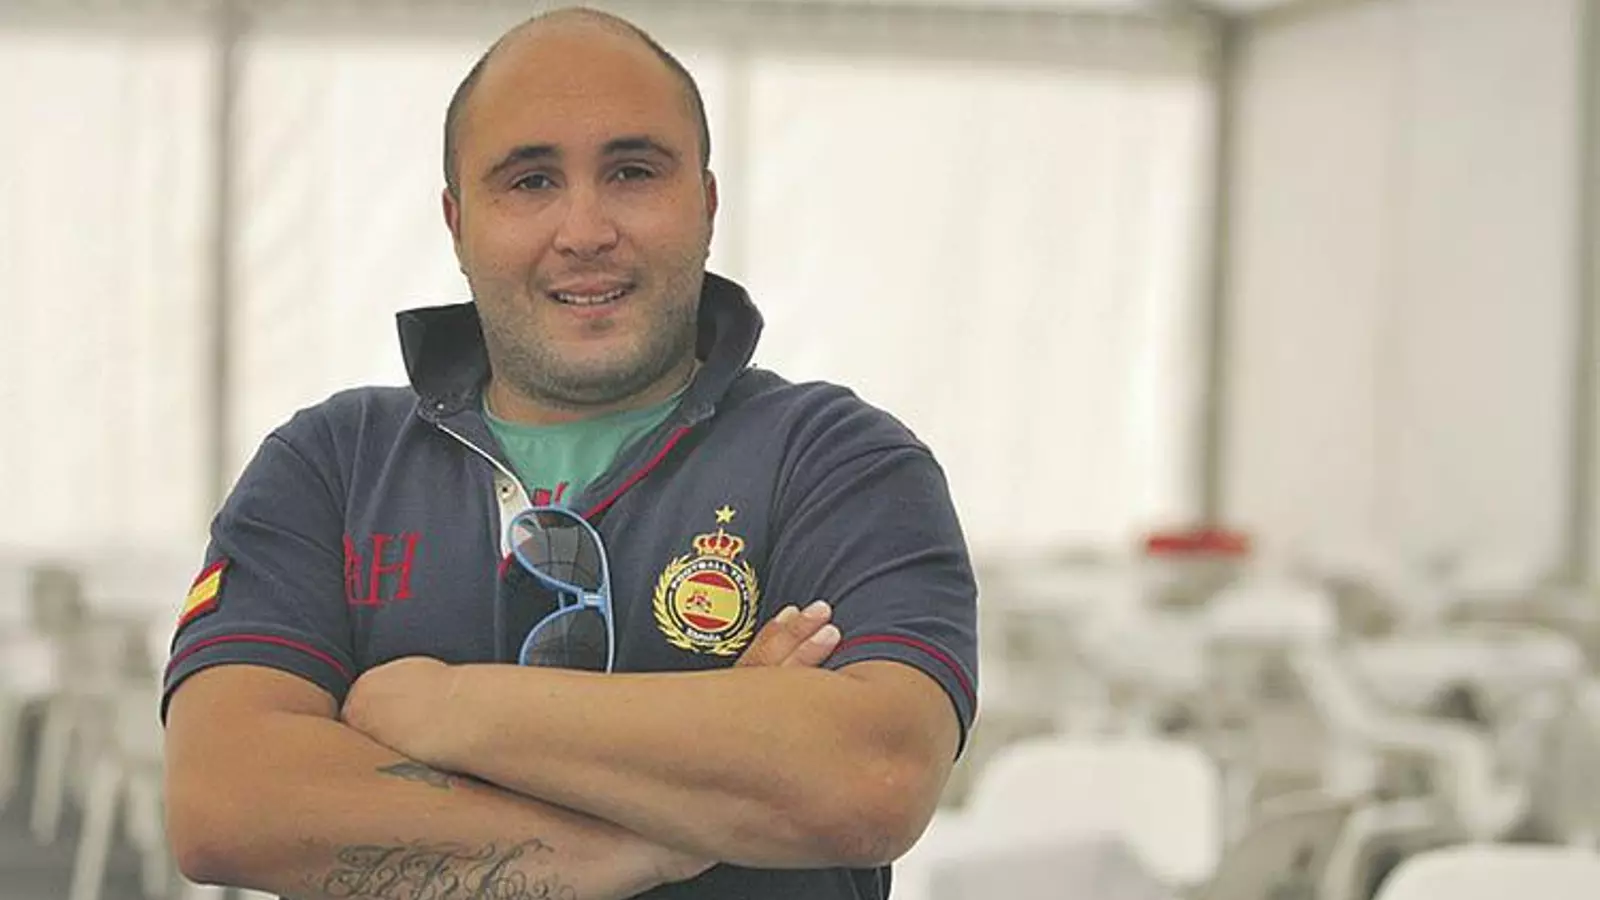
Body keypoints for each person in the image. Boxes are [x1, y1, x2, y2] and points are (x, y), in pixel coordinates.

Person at [162, 7, 978, 900]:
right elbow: (227, 803)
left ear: (706, 205)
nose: (585, 230)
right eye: (530, 181)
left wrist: (443, 705)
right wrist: (670, 831)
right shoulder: (332, 464)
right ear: (457, 222)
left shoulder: (839, 462)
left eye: (633, 172)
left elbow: (873, 778)